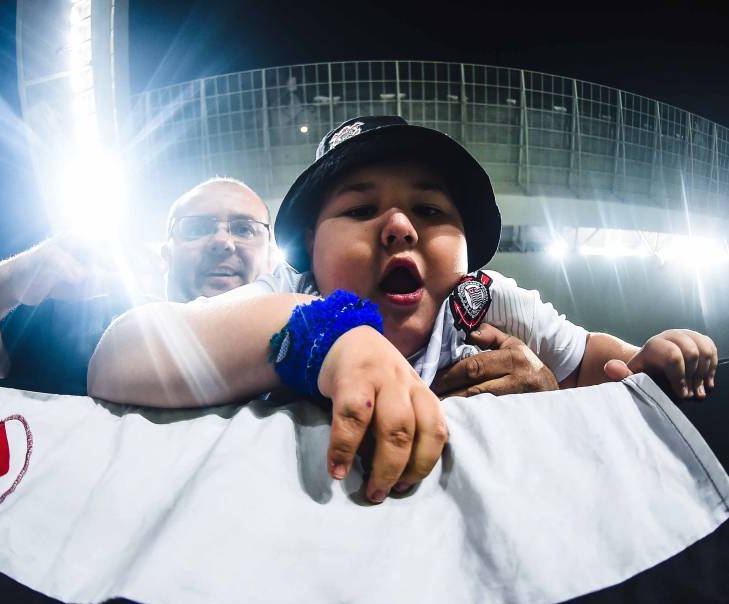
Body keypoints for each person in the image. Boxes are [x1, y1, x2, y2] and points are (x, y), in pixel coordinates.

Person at [87, 115, 718, 504]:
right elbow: (120, 354)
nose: (397, 226)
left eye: (432, 211)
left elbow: (591, 360)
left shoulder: (486, 300)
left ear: (467, 248)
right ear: (308, 252)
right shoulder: (289, 293)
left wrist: (647, 359)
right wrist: (325, 337)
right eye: (360, 211)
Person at [0, 177, 275, 395]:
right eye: (197, 227)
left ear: (271, 257)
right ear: (165, 254)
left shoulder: (308, 347)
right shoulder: (85, 317)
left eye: (244, 229)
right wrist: (11, 280)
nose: (222, 242)